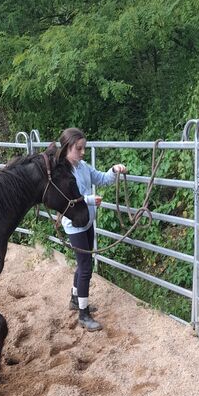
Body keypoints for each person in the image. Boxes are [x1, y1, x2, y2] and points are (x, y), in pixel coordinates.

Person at [59, 127, 127, 332]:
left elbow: (101, 179)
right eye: (79, 148)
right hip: (74, 224)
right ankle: (83, 314)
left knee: (82, 264)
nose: (82, 152)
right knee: (86, 267)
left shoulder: (83, 166)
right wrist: (89, 199)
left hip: (87, 222)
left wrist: (114, 171)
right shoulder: (62, 173)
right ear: (67, 148)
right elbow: (67, 199)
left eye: (84, 148)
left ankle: (74, 298)